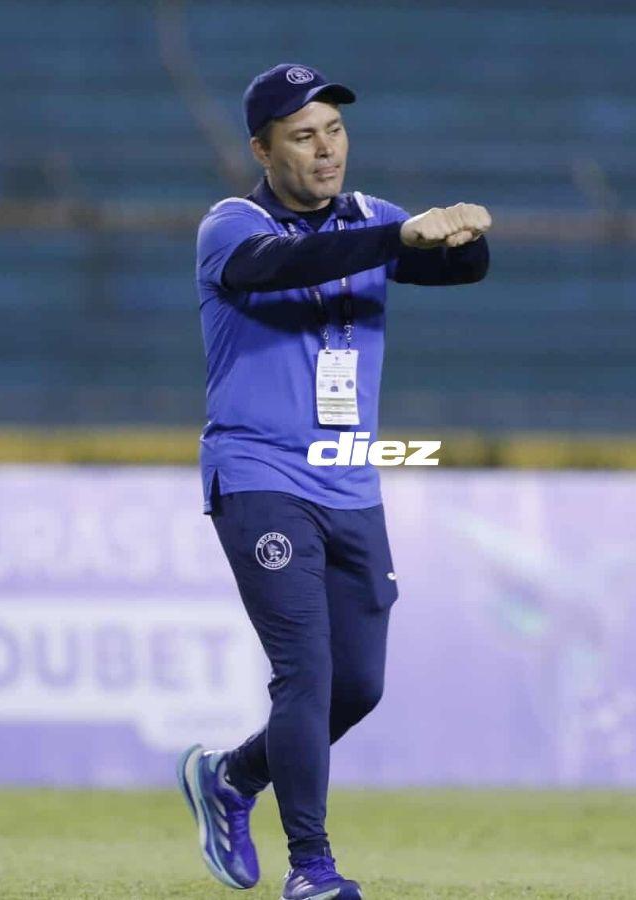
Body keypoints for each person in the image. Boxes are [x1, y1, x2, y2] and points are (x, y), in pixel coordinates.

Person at [175, 63, 492, 900]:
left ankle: (232, 778)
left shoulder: (369, 217)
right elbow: (280, 269)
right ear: (262, 148)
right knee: (306, 673)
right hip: (257, 473)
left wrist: (466, 232)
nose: (326, 151)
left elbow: (463, 273)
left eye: (335, 131)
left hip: (352, 478)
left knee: (358, 686)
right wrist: (401, 238)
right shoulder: (230, 226)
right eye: (303, 136)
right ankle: (311, 869)